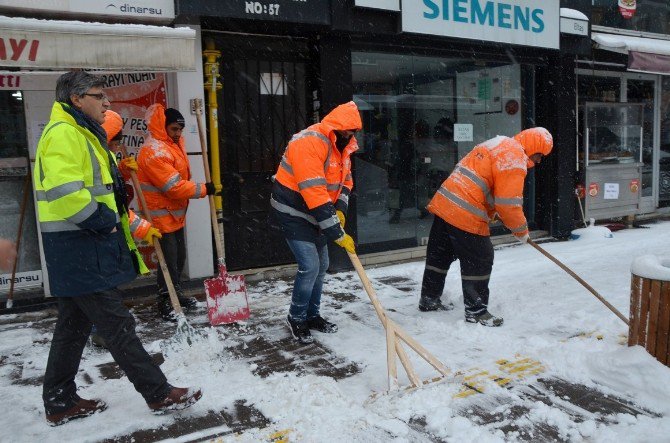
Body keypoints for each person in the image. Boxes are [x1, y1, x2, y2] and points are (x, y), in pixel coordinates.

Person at [34, 71, 202, 426]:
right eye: (99, 96)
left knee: (72, 327)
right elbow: (66, 195)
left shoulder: (81, 133)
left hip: (77, 248)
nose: (107, 102)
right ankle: (158, 393)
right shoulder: (65, 134)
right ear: (77, 99)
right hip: (79, 246)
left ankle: (60, 400)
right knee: (118, 325)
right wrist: (103, 221)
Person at [418, 127, 554, 327]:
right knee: (480, 257)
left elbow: (486, 184)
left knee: (440, 253)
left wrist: (495, 210)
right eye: (539, 155)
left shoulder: (497, 142)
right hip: (465, 210)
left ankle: (429, 299)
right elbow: (509, 203)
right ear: (533, 147)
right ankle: (477, 311)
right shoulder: (514, 157)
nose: (539, 161)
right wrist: (521, 231)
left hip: (446, 202)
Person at [271, 101, 361, 344]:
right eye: (347, 130)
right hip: (293, 211)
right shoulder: (309, 142)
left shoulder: (343, 148)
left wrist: (340, 209)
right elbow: (314, 191)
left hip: (317, 212)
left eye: (353, 131)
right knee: (310, 265)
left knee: (322, 265)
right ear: (336, 127)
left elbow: (347, 182)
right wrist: (336, 231)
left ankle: (313, 315)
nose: (350, 135)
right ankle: (296, 317)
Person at [136, 104, 217, 320]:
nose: (178, 133)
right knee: (168, 260)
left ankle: (176, 293)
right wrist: (203, 189)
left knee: (179, 257)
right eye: (174, 129)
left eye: (180, 129)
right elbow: (172, 187)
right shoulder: (154, 151)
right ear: (163, 127)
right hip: (160, 215)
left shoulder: (173, 144)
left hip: (174, 214)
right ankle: (165, 299)